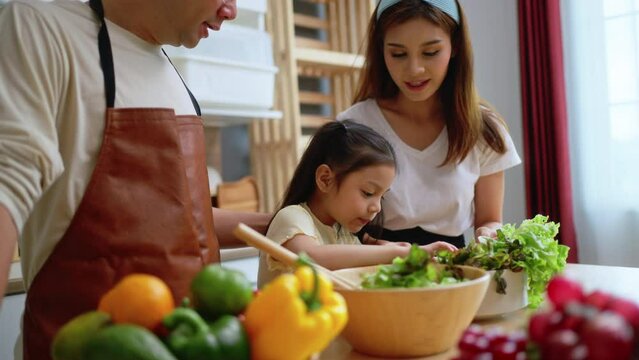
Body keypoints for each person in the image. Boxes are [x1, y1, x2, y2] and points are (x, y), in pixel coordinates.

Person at [0, 0, 270, 358]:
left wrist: (279, 222)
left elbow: (181, 222)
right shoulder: (42, 27)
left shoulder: (172, 71)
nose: (231, 11)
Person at [337, 0, 521, 248]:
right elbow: (333, 224)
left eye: (430, 52)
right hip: (372, 264)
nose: (414, 69)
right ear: (381, 50)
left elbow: (489, 220)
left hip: (453, 268)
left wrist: (490, 234)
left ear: (455, 46)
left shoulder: (483, 130)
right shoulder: (354, 125)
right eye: (398, 54)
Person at [257, 120, 457, 287]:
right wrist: (397, 252)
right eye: (368, 193)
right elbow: (312, 257)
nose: (376, 207)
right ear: (325, 179)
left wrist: (394, 253)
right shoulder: (293, 217)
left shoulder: (344, 234)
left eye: (382, 197)